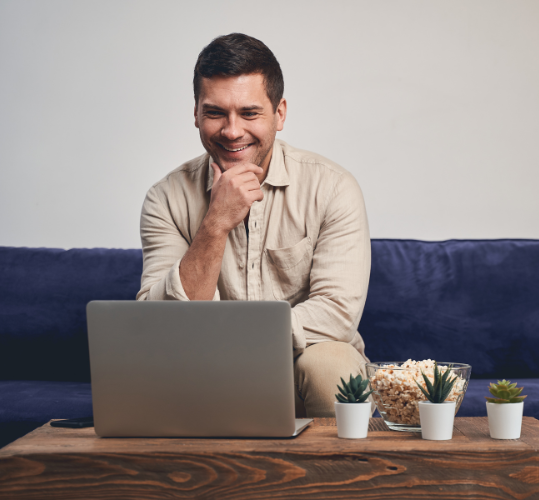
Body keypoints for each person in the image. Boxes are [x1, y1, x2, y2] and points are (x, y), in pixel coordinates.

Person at [137, 33, 371, 418]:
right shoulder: (165, 198)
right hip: (203, 371)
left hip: (304, 361)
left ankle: (334, 479)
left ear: (279, 113)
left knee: (332, 366)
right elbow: (160, 325)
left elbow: (337, 314)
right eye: (215, 113)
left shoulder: (332, 187)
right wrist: (214, 224)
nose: (232, 131)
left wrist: (236, 338)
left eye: (249, 113)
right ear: (195, 113)